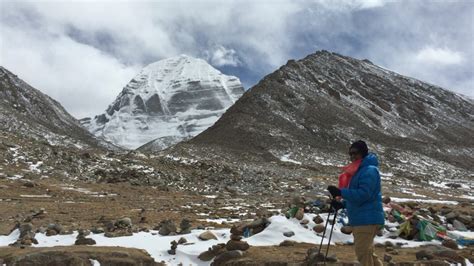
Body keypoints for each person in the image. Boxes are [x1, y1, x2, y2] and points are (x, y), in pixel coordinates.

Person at [327, 140, 384, 266]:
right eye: (350, 154)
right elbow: (360, 198)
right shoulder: (359, 171)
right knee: (368, 253)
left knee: (362, 253)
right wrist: (343, 204)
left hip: (367, 220)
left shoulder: (368, 170)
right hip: (363, 218)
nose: (352, 156)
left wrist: (341, 192)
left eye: (355, 153)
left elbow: (364, 194)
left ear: (363, 153)